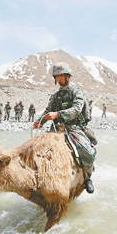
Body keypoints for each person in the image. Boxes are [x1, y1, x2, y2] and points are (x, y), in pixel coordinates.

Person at [33, 62, 96, 194]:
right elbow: (48, 110)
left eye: (61, 76)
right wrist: (40, 121)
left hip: (74, 127)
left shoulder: (76, 92)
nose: (59, 79)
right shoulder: (55, 96)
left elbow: (77, 109)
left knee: (87, 153)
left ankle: (87, 177)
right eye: (57, 77)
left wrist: (58, 114)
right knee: (37, 151)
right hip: (56, 128)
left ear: (68, 76)